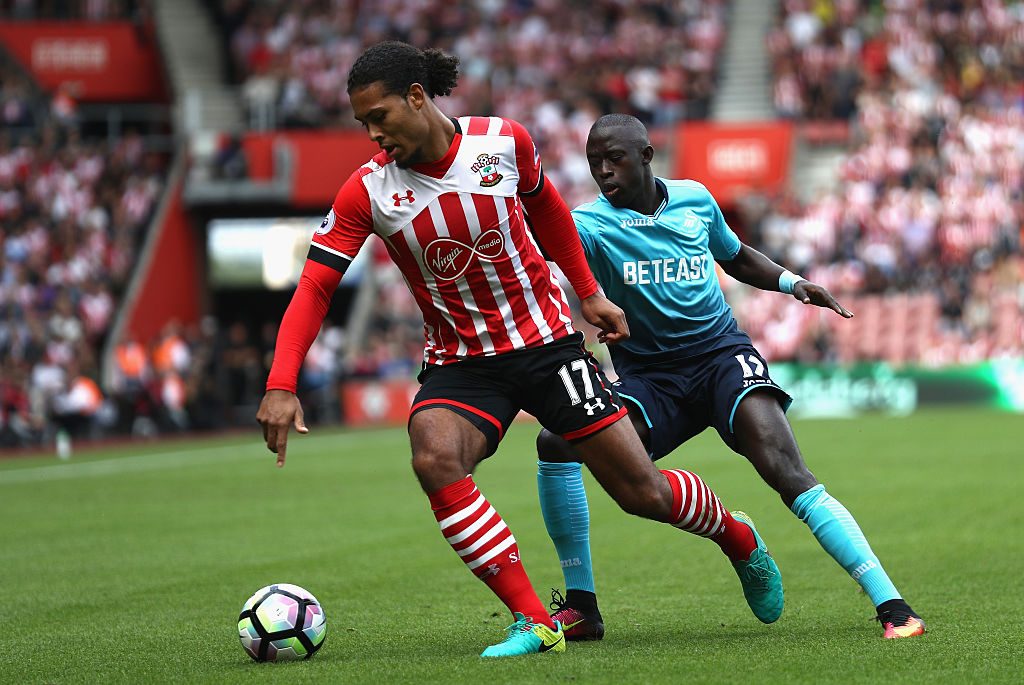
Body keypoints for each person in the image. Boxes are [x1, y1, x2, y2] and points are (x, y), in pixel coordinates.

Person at [256, 42, 783, 658]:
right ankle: (535, 620)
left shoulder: (502, 143)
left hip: (548, 347)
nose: (374, 135)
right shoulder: (368, 191)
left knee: (643, 494)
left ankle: (738, 535)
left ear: (418, 97)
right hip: (462, 363)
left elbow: (553, 216)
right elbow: (317, 283)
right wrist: (281, 381)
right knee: (434, 457)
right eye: (363, 124)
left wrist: (588, 294)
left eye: (381, 117)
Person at [536, 114, 925, 641]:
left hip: (721, 358)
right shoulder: (587, 223)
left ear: (648, 156)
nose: (604, 171)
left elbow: (736, 256)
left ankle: (893, 606)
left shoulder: (695, 198)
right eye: (594, 162)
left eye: (616, 159)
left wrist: (792, 282)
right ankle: (584, 605)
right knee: (556, 442)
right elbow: (541, 262)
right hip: (651, 379)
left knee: (785, 468)